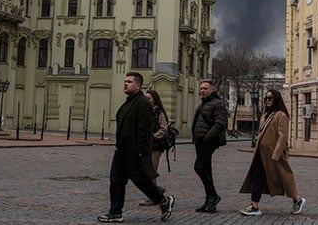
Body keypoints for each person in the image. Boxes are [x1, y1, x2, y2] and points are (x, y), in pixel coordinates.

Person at [97, 72, 175, 223]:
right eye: (125, 81)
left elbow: (145, 130)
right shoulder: (129, 102)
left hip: (134, 152)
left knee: (141, 181)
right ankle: (115, 213)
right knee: (116, 180)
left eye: (129, 82)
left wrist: (141, 151)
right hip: (122, 151)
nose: (125, 84)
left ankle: (163, 201)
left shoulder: (142, 103)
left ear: (138, 85)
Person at [238, 89, 306, 216]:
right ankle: (254, 205)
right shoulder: (265, 114)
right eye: (266, 98)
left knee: (284, 178)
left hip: (274, 154)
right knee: (257, 177)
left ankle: (297, 199)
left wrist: (276, 154)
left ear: (276, 99)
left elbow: (282, 136)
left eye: (270, 98)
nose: (268, 101)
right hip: (261, 152)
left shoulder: (281, 115)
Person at [191, 80, 228, 213]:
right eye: (201, 88)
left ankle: (213, 195)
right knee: (206, 169)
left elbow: (220, 123)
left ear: (212, 89)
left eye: (205, 88)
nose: (202, 90)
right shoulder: (204, 104)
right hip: (200, 141)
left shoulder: (217, 104)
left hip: (208, 141)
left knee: (199, 167)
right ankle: (210, 201)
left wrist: (207, 137)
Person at [138, 89, 169, 206]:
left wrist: (154, 136)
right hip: (146, 146)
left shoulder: (159, 113)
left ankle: (152, 197)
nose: (147, 100)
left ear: (155, 100)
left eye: (149, 98)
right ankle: (157, 190)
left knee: (151, 171)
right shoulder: (146, 111)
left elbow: (164, 129)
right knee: (145, 171)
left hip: (155, 147)